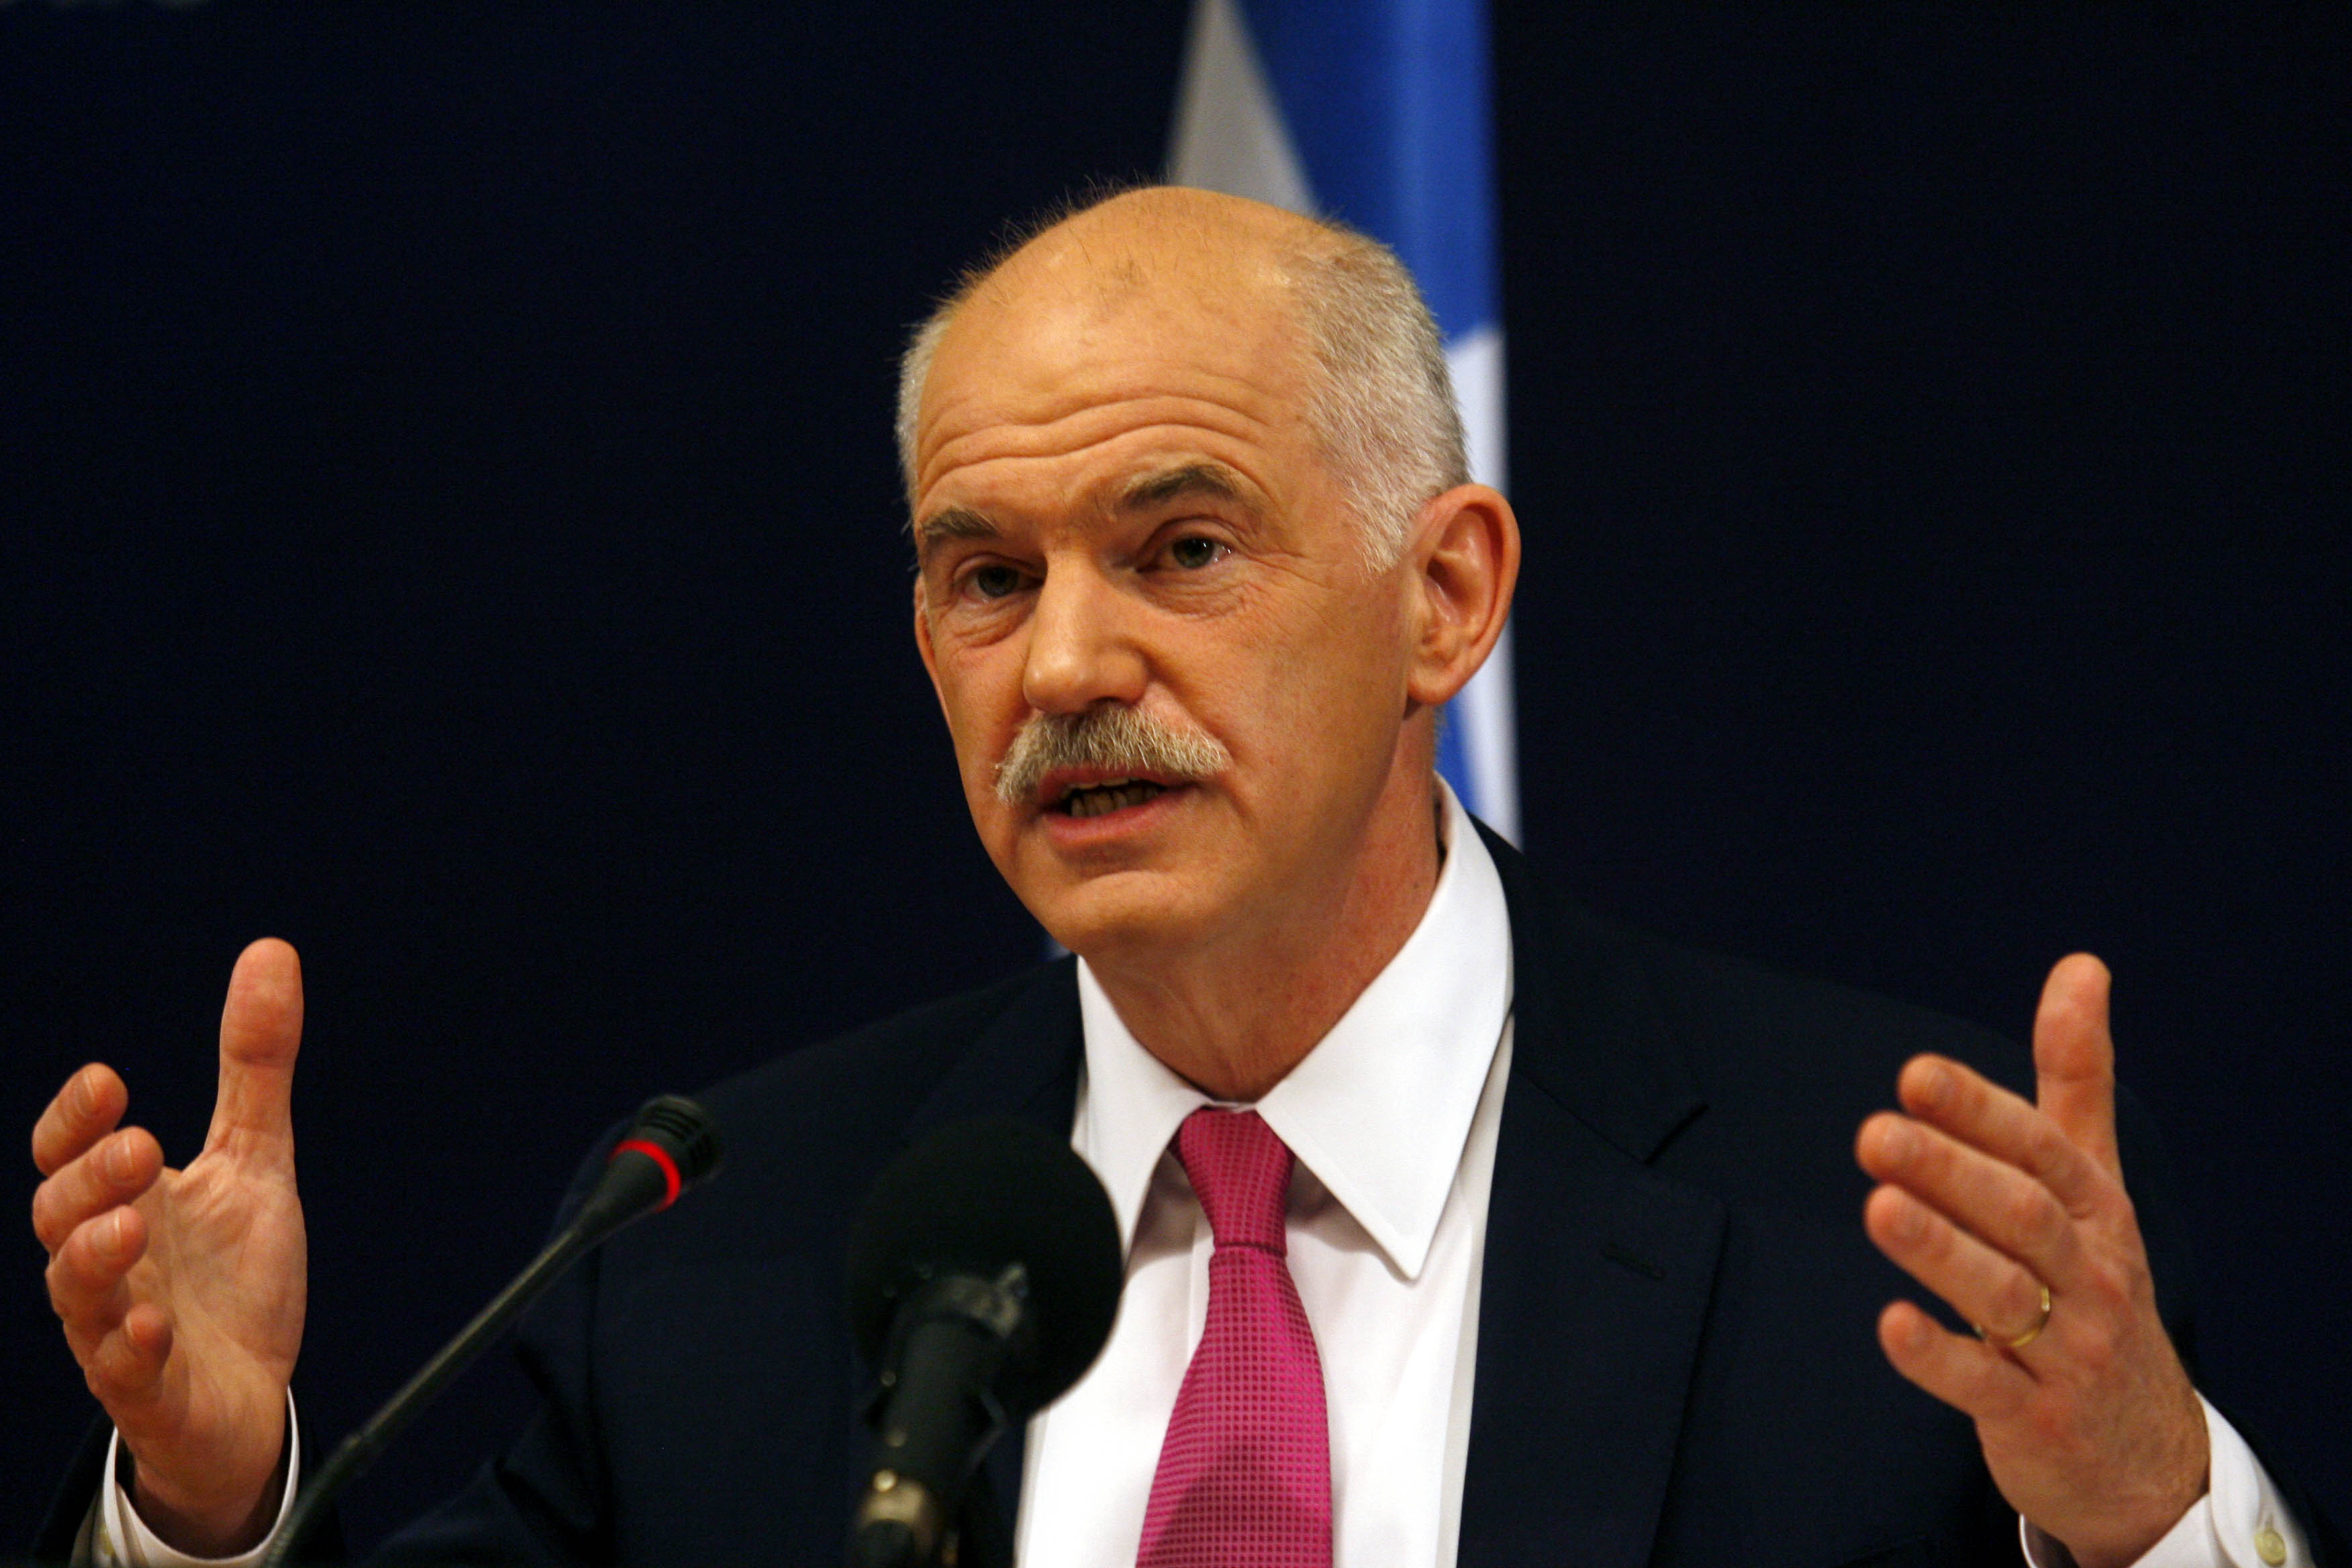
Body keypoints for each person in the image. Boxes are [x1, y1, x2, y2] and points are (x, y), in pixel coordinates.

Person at [32, 187, 2333, 1568]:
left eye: (1181, 548)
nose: (1063, 667)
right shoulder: (712, 1248)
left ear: (1446, 595)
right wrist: (212, 1516)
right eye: (984, 576)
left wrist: (2147, 1513)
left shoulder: (1897, 1233)